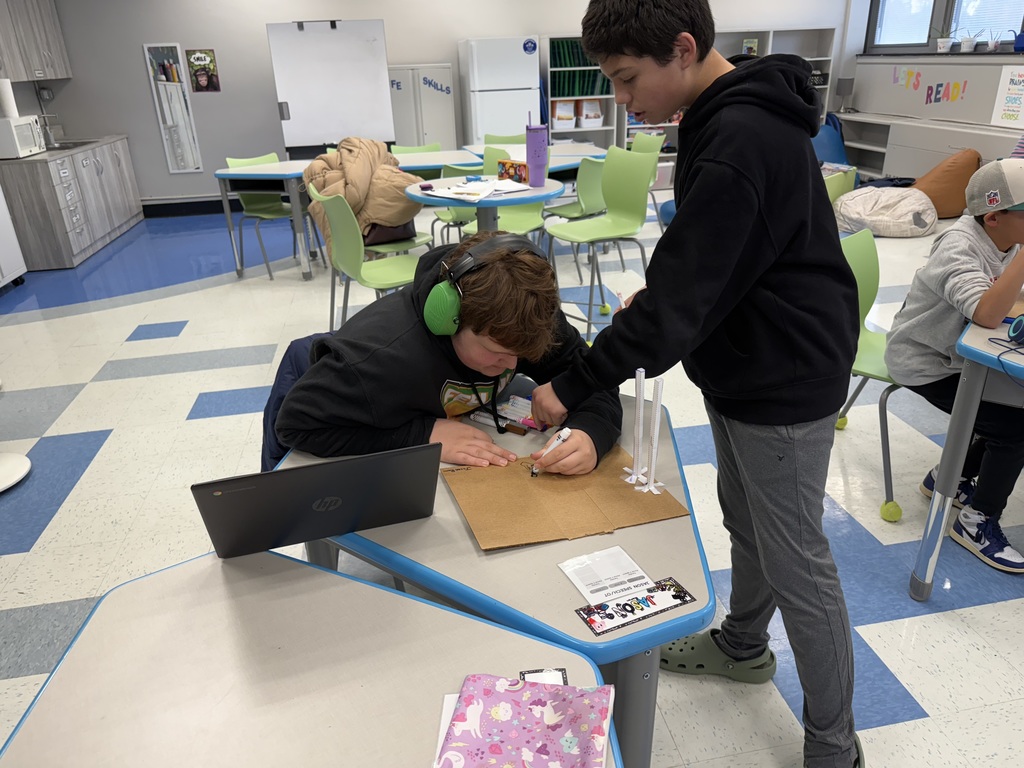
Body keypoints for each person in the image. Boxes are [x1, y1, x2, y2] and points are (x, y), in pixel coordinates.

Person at [530, 2, 862, 766]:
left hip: (784, 375)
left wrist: (574, 382)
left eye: (626, 78)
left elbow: (677, 311)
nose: (621, 98)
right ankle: (743, 645)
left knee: (797, 559)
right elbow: (726, 253)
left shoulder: (741, 135)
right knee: (747, 521)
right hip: (746, 354)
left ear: (683, 49)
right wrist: (682, 293)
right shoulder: (717, 112)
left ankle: (836, 748)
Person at [274, 231, 622, 474]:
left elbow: (593, 378)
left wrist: (591, 432)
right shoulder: (379, 363)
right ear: (449, 318)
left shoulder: (525, 319)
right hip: (322, 384)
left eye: (522, 353)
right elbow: (296, 426)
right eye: (496, 352)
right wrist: (421, 434)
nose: (514, 365)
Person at [886, 158, 1024, 575]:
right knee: (1017, 426)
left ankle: (948, 476)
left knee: (1009, 408)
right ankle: (976, 521)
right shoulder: (959, 245)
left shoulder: (1005, 241)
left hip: (960, 357)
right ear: (995, 216)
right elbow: (985, 312)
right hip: (926, 362)